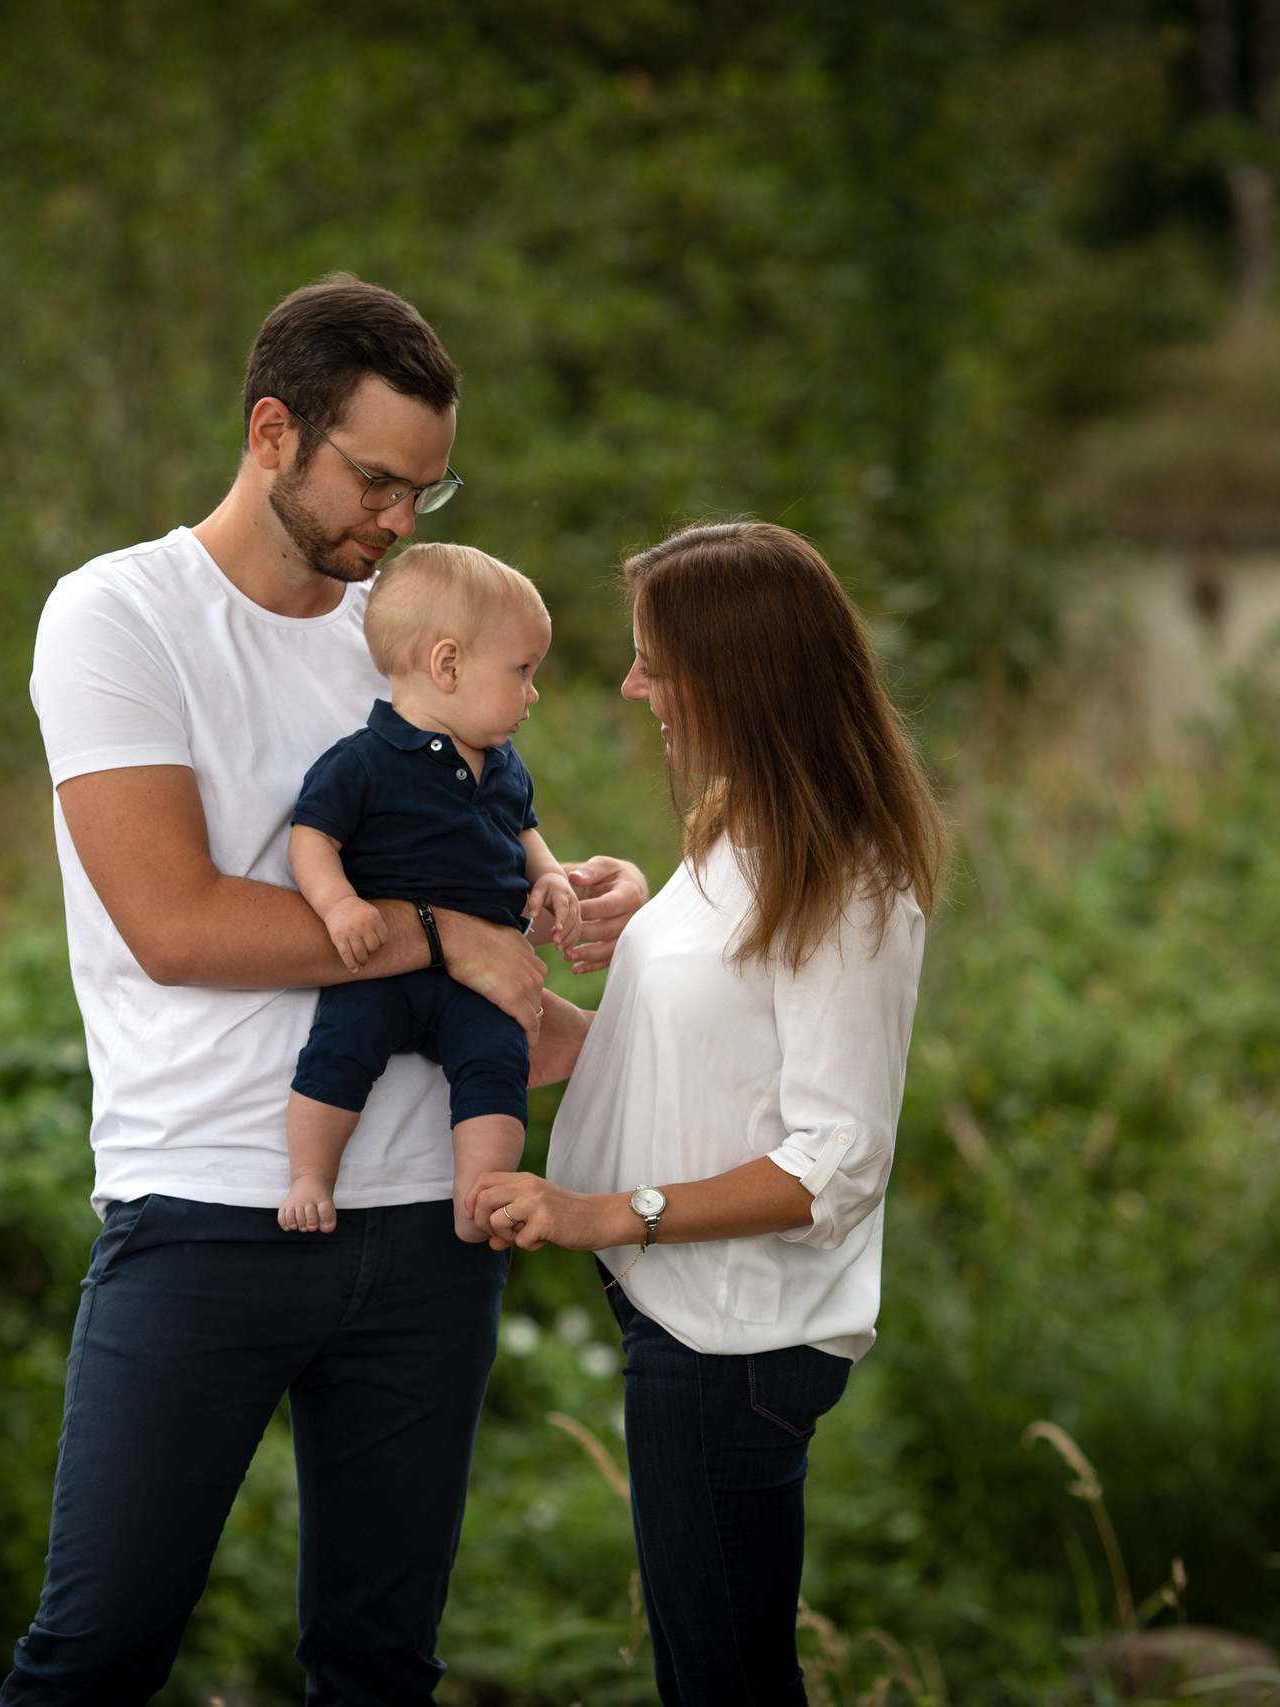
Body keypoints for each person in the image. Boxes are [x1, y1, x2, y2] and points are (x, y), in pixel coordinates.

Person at [4, 273, 650, 1705]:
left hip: (432, 1223)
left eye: (429, 485)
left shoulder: (404, 629)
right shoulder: (119, 615)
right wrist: (443, 938)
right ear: (272, 429)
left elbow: (478, 867)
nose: (400, 520)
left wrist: (570, 897)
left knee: (379, 1665)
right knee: (96, 1649)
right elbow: (171, 921)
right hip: (208, 1206)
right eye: (374, 479)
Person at [470, 521, 947, 1707]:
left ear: (737, 674)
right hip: (679, 1324)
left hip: (734, 1344)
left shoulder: (844, 879)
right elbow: (724, 1051)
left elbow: (832, 1165)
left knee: (726, 1686)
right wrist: (567, 1031)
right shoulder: (738, 833)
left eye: (652, 660)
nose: (632, 685)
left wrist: (599, 1214)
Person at [282, 543, 580, 1241]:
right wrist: (338, 904)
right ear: (448, 664)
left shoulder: (506, 764)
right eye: (523, 672)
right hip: (386, 959)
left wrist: (553, 877)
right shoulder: (364, 759)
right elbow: (311, 838)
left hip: (483, 979)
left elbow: (524, 833)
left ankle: (477, 1198)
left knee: (498, 1063)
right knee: (340, 1048)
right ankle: (309, 1175)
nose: (532, 694)